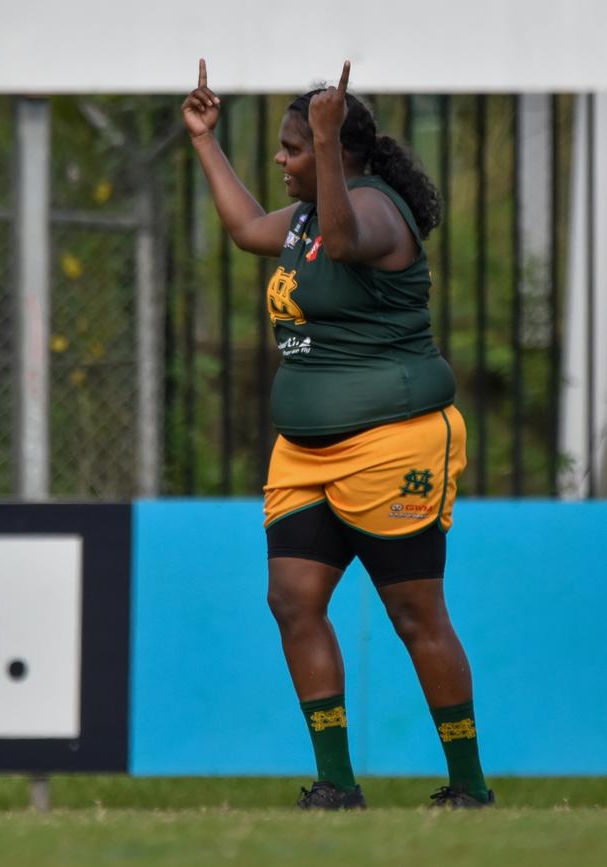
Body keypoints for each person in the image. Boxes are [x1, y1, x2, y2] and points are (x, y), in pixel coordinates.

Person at [182, 59, 493, 810]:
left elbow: (348, 238)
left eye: (292, 148)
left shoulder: (377, 212)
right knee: (292, 599)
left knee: (415, 612)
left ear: (332, 149)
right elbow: (244, 228)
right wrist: (203, 141)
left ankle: (469, 785)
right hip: (304, 452)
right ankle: (337, 782)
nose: (283, 160)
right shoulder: (301, 221)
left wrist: (324, 143)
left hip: (394, 442)